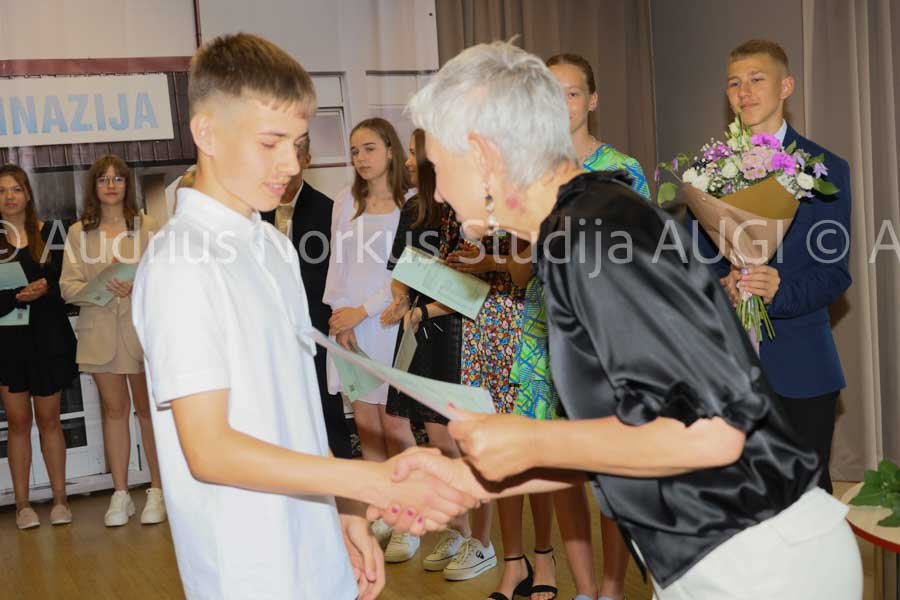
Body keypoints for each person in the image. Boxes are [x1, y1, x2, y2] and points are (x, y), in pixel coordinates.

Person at [378, 41, 862, 600]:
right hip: (712, 551)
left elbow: (711, 433)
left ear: (484, 155)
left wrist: (532, 441)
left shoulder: (597, 238)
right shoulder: (576, 226)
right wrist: (471, 478)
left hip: (758, 561)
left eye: (438, 168)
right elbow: (633, 430)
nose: (438, 193)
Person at [131, 33, 473, 600]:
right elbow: (209, 450)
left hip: (316, 548)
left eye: (297, 143)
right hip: (248, 568)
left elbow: (299, 410)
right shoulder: (180, 262)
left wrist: (343, 507)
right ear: (207, 133)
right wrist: (368, 478)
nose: (291, 164)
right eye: (270, 142)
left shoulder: (273, 247)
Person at [691, 39, 852, 495]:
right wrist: (720, 285)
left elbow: (834, 273)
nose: (744, 92)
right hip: (725, 368)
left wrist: (778, 291)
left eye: (756, 79)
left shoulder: (824, 169)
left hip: (801, 364)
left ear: (786, 86)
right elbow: (692, 262)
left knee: (806, 500)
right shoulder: (706, 171)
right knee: (734, 500)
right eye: (733, 83)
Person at [324, 117, 422, 558]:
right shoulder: (345, 201)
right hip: (350, 328)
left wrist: (363, 311)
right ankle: (384, 513)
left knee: (395, 424)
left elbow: (406, 271)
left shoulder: (412, 203)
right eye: (354, 151)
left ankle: (411, 521)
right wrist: (340, 319)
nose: (360, 158)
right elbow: (338, 265)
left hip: (389, 322)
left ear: (390, 150)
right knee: (366, 424)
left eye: (369, 149)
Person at [379, 128, 472, 568]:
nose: (407, 160)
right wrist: (401, 300)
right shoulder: (414, 207)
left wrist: (425, 311)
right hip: (415, 325)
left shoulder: (461, 205)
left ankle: (465, 533)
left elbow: (470, 283)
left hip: (451, 329)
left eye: (414, 152)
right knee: (412, 425)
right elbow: (400, 268)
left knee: (444, 434)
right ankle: (439, 523)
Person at [60, 155, 165, 527]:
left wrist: (138, 286)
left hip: (141, 329)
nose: (110, 185)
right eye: (103, 179)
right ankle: (120, 493)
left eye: (117, 179)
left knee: (148, 412)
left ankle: (157, 489)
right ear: (94, 186)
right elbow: (67, 287)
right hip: (99, 329)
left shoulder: (148, 225)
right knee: (114, 411)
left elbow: (166, 276)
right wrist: (101, 286)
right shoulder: (79, 232)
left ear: (126, 184)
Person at [444, 187, 527, 591]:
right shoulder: (468, 192)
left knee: (517, 445)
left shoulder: (522, 190)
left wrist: (488, 261)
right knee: (478, 437)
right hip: (478, 316)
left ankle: (528, 556)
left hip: (516, 318)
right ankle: (486, 543)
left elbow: (525, 269)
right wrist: (466, 258)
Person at [260, 137, 353, 459]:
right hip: (269, 329)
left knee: (325, 407)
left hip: (315, 325)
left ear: (307, 160)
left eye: (295, 156)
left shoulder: (327, 210)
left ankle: (341, 475)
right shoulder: (257, 212)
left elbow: (336, 273)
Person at [0, 165, 77, 530]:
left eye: (15, 189)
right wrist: (16, 296)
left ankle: (60, 500)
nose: (9, 196)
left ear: (28, 194)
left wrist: (45, 289)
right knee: (18, 423)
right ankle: (22, 506)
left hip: (47, 340)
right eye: (2, 190)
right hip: (8, 345)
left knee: (50, 420)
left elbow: (68, 284)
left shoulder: (50, 234)